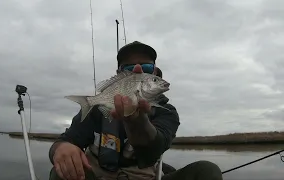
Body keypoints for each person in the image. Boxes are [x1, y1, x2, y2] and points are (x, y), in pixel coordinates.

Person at [48, 41, 223, 180]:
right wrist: (61, 149)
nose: (136, 73)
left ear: (154, 71)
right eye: (128, 70)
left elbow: (153, 150)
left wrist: (138, 124)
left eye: (146, 69)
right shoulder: (98, 109)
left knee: (207, 171)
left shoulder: (166, 112)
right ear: (119, 73)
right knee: (60, 172)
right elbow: (66, 140)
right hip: (100, 177)